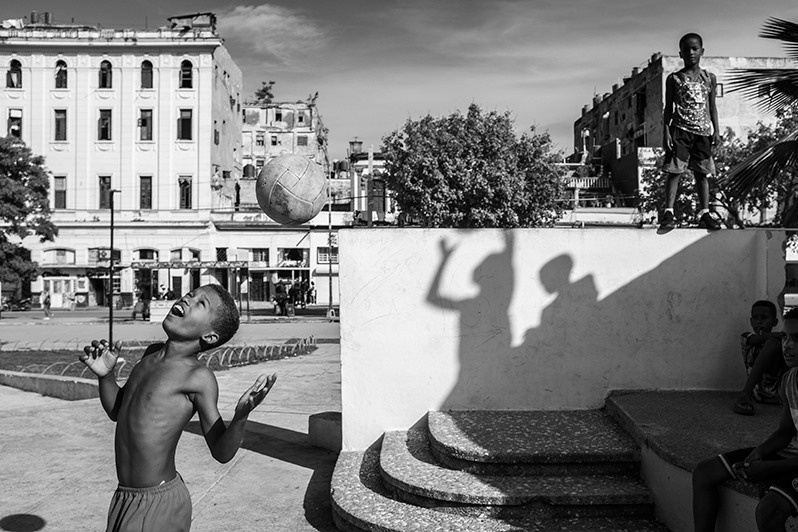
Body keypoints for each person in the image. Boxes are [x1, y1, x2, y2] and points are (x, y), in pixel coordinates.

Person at [78, 284, 277, 532]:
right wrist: (105, 377)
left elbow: (221, 452)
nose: (187, 299)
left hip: (159, 503)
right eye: (190, 294)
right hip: (125, 498)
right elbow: (118, 412)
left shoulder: (197, 377)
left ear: (210, 336)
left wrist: (240, 416)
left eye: (200, 303)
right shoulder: (149, 356)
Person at [692, 307, 798, 532]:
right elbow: (784, 433)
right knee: (704, 472)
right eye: (785, 338)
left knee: (769, 510)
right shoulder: (790, 380)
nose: (787, 346)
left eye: (796, 339)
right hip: (791, 454)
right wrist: (757, 454)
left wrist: (770, 468)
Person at [659, 32, 722, 232]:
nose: (691, 53)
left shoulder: (709, 78)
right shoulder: (674, 79)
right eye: (686, 50)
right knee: (674, 171)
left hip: (703, 133)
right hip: (680, 131)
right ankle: (669, 212)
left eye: (695, 49)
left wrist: (716, 130)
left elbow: (712, 107)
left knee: (702, 173)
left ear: (702, 51)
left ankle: (704, 213)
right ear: (680, 54)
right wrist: (666, 132)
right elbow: (668, 108)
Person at [734, 300, 786, 415]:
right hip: (757, 392)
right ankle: (745, 394)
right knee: (773, 343)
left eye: (764, 318)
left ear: (775, 322)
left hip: (779, 394)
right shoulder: (747, 337)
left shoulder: (781, 342)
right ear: (751, 321)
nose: (759, 322)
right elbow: (755, 339)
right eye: (755, 318)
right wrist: (782, 335)